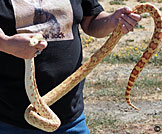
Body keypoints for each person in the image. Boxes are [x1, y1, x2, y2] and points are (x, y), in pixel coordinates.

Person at [0, 0, 141, 133]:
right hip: (10, 119)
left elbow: (91, 20)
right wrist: (6, 44)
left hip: (71, 118)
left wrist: (112, 21)